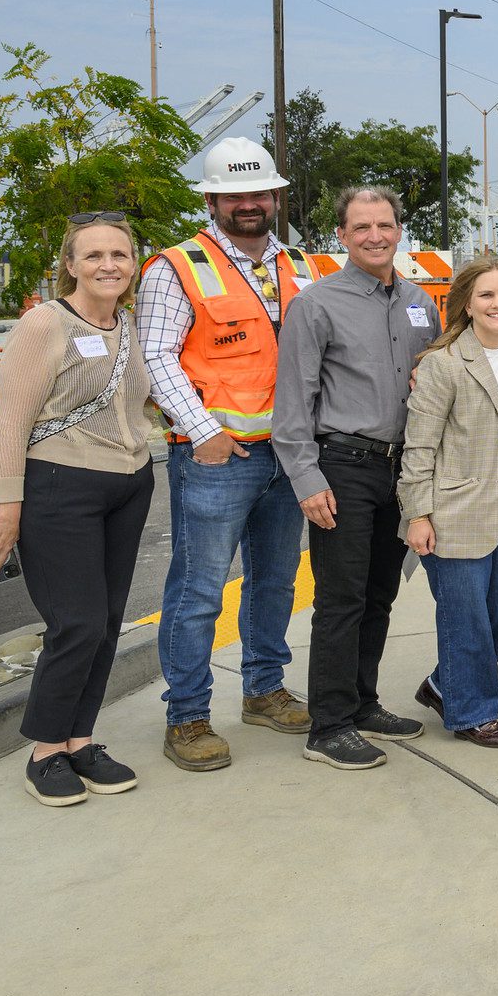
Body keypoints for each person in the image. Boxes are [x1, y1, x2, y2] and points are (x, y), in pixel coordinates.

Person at [137, 136, 318, 772]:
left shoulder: (299, 263)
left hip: (288, 456)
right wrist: (203, 431)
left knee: (274, 581)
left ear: (274, 197)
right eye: (234, 194)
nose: (249, 204)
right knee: (199, 591)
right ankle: (186, 717)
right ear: (212, 199)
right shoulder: (174, 267)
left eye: (258, 192)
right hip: (218, 458)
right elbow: (156, 355)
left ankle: (264, 689)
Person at [0, 212, 153, 806]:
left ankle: (80, 739)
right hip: (59, 486)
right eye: (94, 256)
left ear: (134, 264)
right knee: (74, 623)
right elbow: (10, 421)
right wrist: (7, 509)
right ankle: (44, 751)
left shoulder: (128, 324)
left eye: (120, 255)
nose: (109, 266)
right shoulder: (43, 324)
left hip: (128, 485)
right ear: (70, 265)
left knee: (105, 624)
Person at [274, 187, 443, 770]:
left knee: (380, 594)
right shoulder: (316, 304)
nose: (375, 236)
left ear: (400, 231)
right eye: (361, 227)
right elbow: (294, 400)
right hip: (341, 467)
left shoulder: (421, 302)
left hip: (401, 470)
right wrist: (305, 476)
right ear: (341, 236)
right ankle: (328, 724)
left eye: (385, 225)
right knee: (340, 599)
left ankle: (363, 702)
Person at [399, 258, 498, 749]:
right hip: (455, 505)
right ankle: (471, 713)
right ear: (467, 303)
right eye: (487, 295)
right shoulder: (442, 363)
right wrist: (417, 513)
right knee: (465, 614)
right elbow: (419, 445)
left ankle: (443, 684)